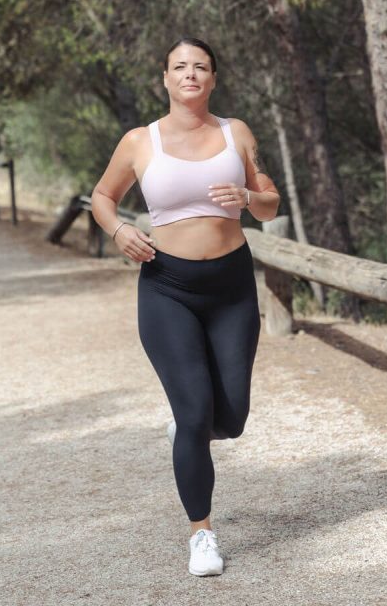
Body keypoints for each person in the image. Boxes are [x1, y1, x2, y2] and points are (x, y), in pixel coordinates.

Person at [91, 36, 281, 577]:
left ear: (213, 79)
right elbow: (103, 197)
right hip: (167, 288)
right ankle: (202, 534)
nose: (190, 74)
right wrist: (120, 229)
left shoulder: (234, 133)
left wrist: (247, 198)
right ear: (166, 78)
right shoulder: (139, 141)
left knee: (234, 418)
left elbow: (270, 202)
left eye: (200, 67)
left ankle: (189, 431)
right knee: (195, 412)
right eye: (180, 66)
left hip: (231, 286)